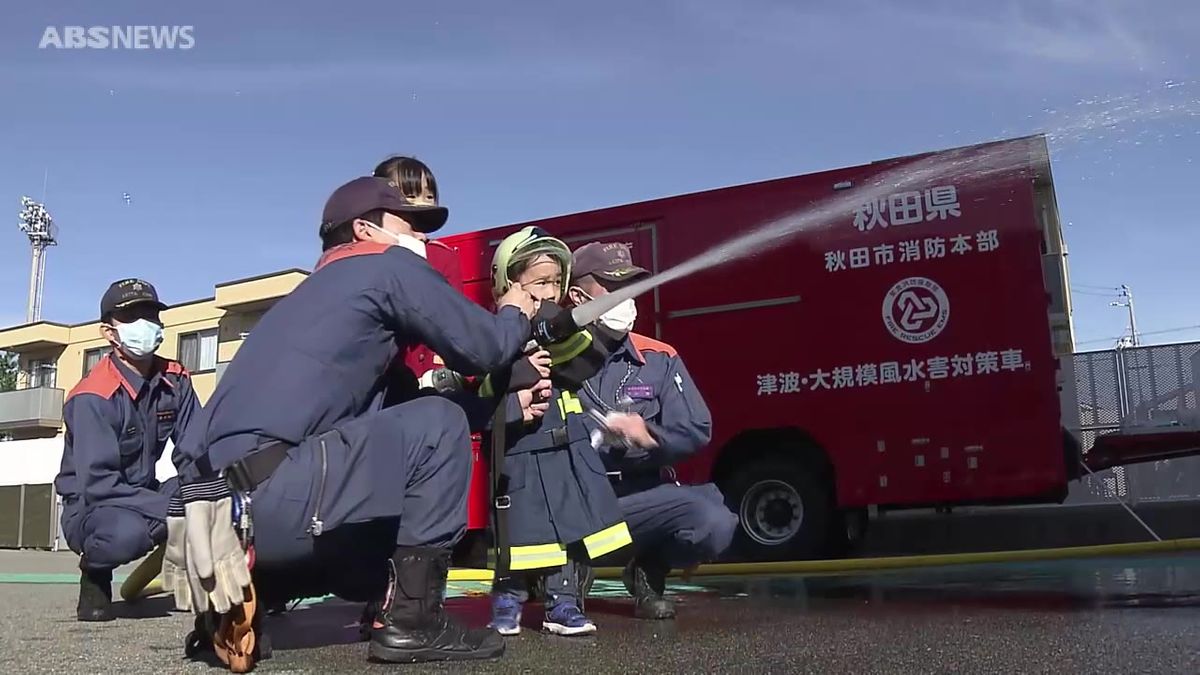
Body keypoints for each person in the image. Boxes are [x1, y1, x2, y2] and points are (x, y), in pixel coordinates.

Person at [168, 160, 536, 666]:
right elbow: (486, 348)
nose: (422, 238)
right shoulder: (385, 266)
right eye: (410, 223)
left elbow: (406, 413)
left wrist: (508, 404)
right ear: (366, 228)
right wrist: (518, 308)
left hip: (220, 512)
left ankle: (255, 590)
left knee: (423, 434)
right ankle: (414, 623)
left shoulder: (313, 301)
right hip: (278, 497)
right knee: (439, 426)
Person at [565, 241, 739, 619]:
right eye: (613, 287)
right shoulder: (555, 357)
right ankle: (568, 572)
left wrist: (650, 437)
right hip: (574, 501)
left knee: (714, 521)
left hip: (638, 499)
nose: (627, 298)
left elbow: (696, 427)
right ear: (579, 296)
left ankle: (648, 570)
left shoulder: (659, 357)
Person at [483, 227, 633, 637]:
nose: (550, 293)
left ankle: (563, 603)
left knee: (571, 525)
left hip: (567, 447)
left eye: (555, 283)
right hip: (521, 453)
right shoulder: (491, 335)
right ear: (509, 284)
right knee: (523, 531)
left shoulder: (560, 330)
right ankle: (508, 598)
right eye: (540, 283)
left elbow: (582, 359)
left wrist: (608, 331)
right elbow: (482, 390)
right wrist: (517, 375)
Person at [53, 278, 202, 622]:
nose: (145, 324)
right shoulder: (93, 396)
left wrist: (206, 495)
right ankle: (95, 570)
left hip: (142, 493)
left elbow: (197, 449)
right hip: (93, 508)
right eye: (132, 317)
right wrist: (172, 506)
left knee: (215, 491)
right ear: (108, 332)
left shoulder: (175, 381)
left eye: (151, 314)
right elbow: (99, 484)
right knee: (126, 534)